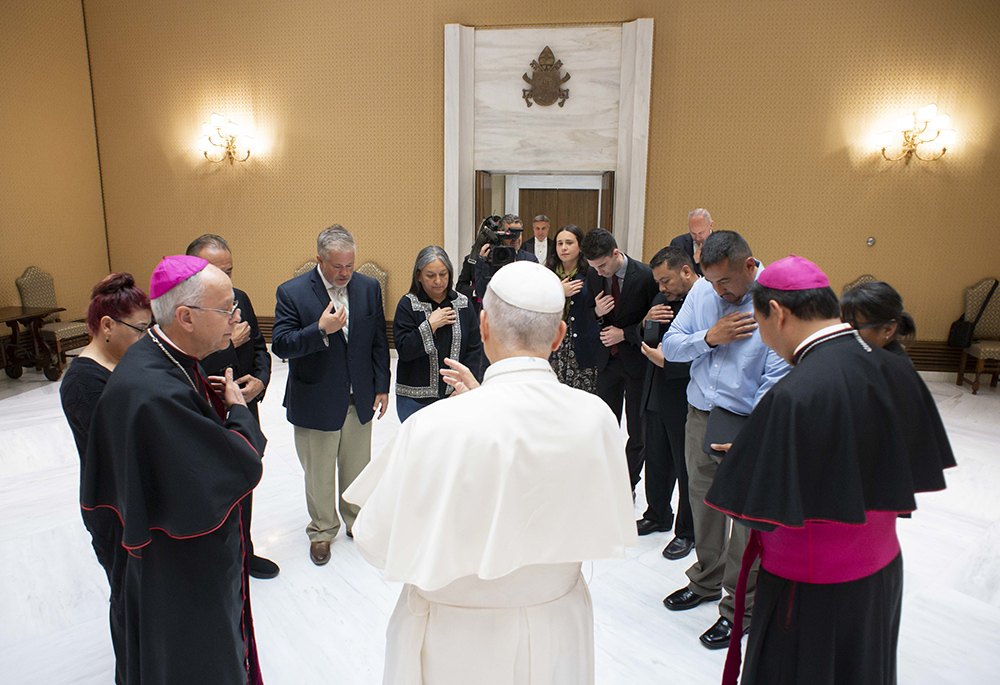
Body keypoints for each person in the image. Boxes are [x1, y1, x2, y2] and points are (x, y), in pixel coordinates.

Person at [343, 260, 637, 685]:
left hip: (455, 638)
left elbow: (376, 542)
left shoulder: (432, 427)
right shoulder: (596, 417)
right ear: (558, 336)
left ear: (482, 326)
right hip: (557, 624)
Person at [704, 255, 955, 685]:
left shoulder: (794, 393)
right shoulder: (892, 363)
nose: (765, 339)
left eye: (760, 324)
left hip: (809, 590)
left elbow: (755, 502)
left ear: (778, 313)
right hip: (880, 574)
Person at [81, 255, 267, 685]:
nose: (237, 319)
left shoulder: (166, 356)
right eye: (227, 310)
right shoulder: (155, 392)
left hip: (165, 553)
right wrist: (238, 412)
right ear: (185, 316)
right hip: (181, 568)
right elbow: (237, 463)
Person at [660, 230, 790, 649]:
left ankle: (740, 609)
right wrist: (710, 337)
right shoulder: (701, 293)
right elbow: (672, 347)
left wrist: (752, 437)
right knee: (704, 507)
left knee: (745, 525)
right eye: (711, 281)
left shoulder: (774, 301)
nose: (719, 291)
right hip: (700, 414)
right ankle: (706, 581)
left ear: (750, 266)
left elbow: (778, 379)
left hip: (747, 424)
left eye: (726, 283)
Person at [272, 224, 390, 565]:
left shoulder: (367, 288)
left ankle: (356, 522)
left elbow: (378, 339)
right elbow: (281, 344)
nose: (345, 273)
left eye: (350, 265)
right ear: (320, 259)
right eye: (337, 266)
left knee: (357, 467)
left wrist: (381, 384)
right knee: (319, 472)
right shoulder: (292, 292)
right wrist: (320, 330)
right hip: (315, 399)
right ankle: (322, 530)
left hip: (360, 394)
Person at [59, 272, 151, 685]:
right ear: (108, 325)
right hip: (111, 506)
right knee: (127, 598)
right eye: (141, 329)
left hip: (134, 499)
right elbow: (119, 449)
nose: (147, 337)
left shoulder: (123, 359)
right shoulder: (82, 382)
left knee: (145, 596)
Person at [186, 233, 278, 580]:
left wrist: (260, 380)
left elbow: (258, 347)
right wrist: (228, 347)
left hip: (243, 409)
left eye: (230, 271)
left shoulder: (238, 299)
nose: (226, 280)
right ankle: (220, 560)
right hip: (206, 414)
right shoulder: (183, 312)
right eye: (216, 271)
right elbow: (189, 365)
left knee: (244, 481)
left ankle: (245, 552)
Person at [581, 228, 663, 493]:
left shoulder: (646, 276)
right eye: (594, 267)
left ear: (616, 253)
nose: (600, 272)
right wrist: (596, 312)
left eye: (603, 265)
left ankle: (628, 483)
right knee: (605, 425)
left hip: (638, 362)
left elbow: (656, 321)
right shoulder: (594, 273)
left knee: (638, 431)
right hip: (607, 362)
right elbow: (587, 316)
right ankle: (603, 479)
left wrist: (624, 334)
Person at [635, 247, 699, 563]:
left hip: (684, 395)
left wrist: (668, 363)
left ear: (685, 271)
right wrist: (645, 320)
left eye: (666, 280)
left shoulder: (704, 305)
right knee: (657, 460)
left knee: (686, 469)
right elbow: (641, 338)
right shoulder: (662, 301)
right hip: (655, 392)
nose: (662, 288)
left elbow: (709, 357)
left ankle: (687, 532)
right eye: (658, 282)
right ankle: (657, 513)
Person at [393, 245, 483, 421]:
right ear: (418, 275)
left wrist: (462, 387)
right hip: (414, 400)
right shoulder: (407, 305)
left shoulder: (463, 304)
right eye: (430, 275)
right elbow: (404, 350)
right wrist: (430, 325)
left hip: (457, 396)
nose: (438, 281)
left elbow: (474, 351)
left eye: (443, 274)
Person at [544, 224, 600, 392]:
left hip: (583, 343)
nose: (564, 248)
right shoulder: (547, 274)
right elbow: (538, 306)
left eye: (569, 242)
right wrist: (559, 292)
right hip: (555, 343)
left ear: (580, 246)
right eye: (559, 243)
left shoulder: (592, 273)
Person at [457, 214, 539, 311]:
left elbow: (536, 290)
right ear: (500, 234)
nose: (516, 238)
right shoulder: (485, 258)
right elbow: (481, 292)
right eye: (511, 233)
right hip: (492, 314)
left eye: (519, 233)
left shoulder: (530, 260)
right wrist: (483, 262)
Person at [840, 280, 916, 360]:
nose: (845, 332)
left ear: (887, 329)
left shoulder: (892, 367)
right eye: (844, 324)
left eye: (854, 326)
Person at [669, 208, 714, 276]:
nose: (698, 238)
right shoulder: (677, 243)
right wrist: (694, 262)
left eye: (701, 232)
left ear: (710, 225)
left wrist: (700, 263)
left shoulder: (722, 244)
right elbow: (675, 273)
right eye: (693, 233)